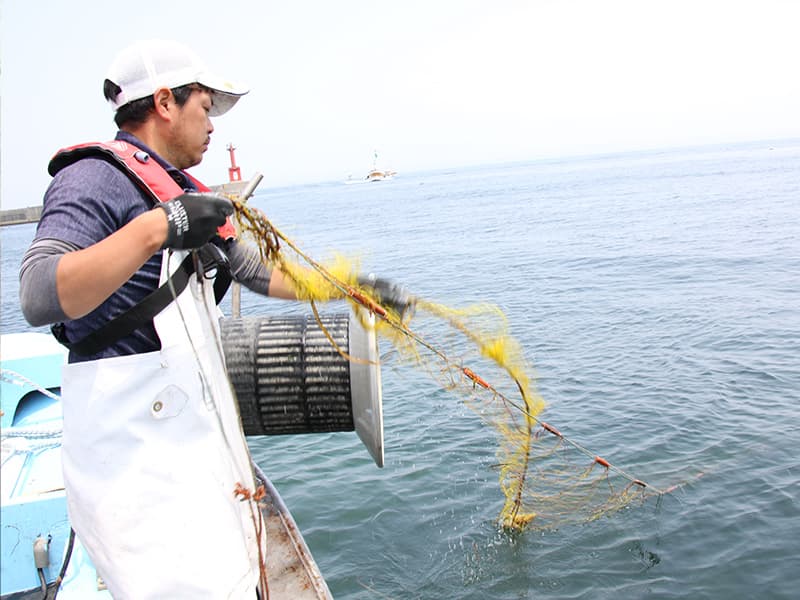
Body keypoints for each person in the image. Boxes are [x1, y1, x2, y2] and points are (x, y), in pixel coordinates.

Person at [19, 39, 408, 598]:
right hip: (134, 465)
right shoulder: (94, 180)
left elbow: (257, 272)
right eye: (206, 108)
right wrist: (158, 227)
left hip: (189, 451)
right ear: (164, 102)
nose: (212, 127)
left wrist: (353, 289)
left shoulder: (181, 190)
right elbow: (38, 293)